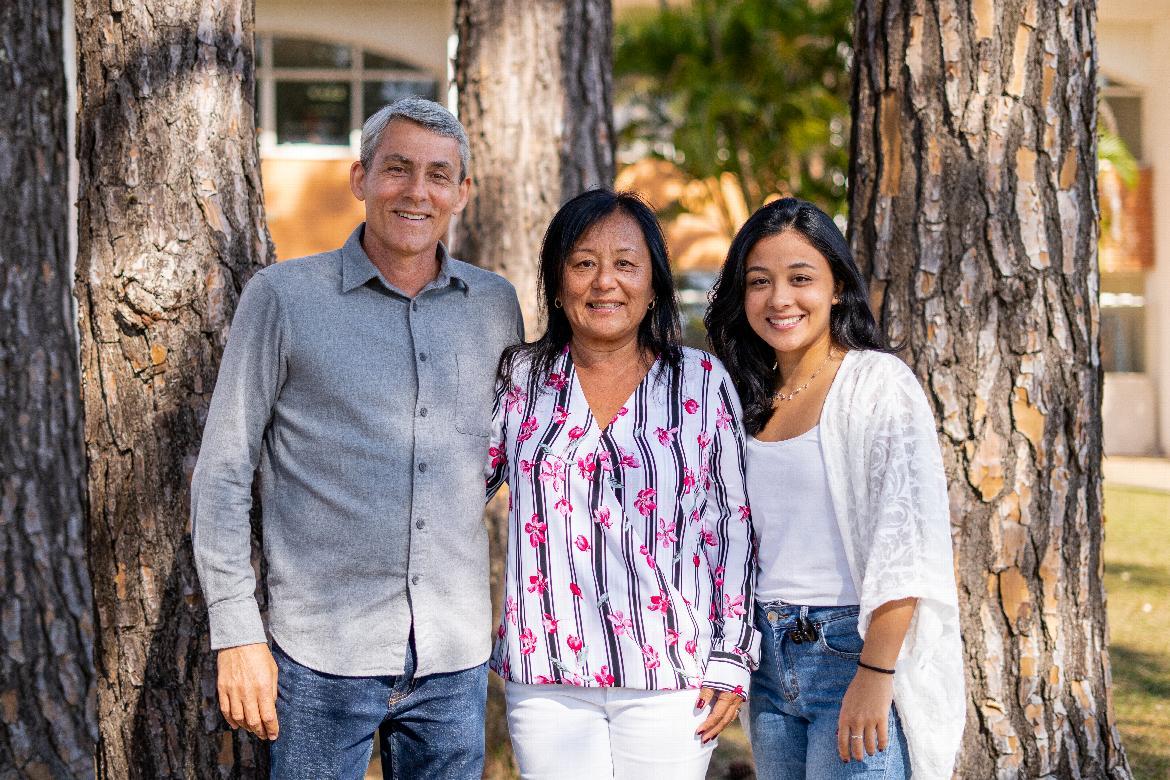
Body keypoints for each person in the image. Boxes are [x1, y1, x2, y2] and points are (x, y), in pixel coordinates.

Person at [190, 96, 523, 780]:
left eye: (438, 174)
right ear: (360, 178)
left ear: (461, 192)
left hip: (452, 656)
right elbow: (224, 471)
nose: (416, 191)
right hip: (319, 657)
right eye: (397, 169)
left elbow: (485, 458)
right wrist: (237, 631)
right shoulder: (283, 298)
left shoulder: (495, 305)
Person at [484, 189, 760, 779]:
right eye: (583, 263)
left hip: (670, 674)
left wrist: (732, 657)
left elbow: (733, 528)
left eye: (626, 264)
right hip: (547, 673)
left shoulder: (701, 382)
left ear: (654, 283)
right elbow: (456, 488)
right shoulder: (521, 377)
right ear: (558, 285)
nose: (604, 281)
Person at [705, 198, 965, 779]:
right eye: (759, 281)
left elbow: (908, 544)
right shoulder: (746, 398)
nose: (780, 299)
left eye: (801, 279)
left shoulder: (877, 384)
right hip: (769, 663)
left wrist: (875, 675)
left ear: (838, 287)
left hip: (851, 653)